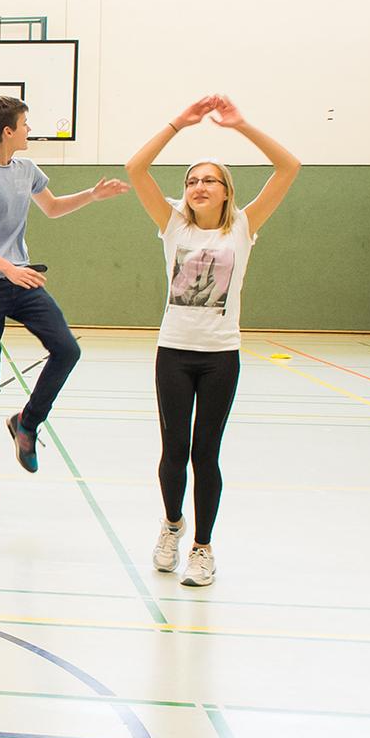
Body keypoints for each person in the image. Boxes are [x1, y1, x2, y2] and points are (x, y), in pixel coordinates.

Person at [126, 95, 299, 587]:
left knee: (206, 453)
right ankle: (171, 526)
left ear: (226, 192)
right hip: (174, 353)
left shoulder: (243, 225)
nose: (199, 187)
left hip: (221, 356)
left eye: (209, 180)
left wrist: (241, 125)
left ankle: (202, 548)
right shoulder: (172, 224)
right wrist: (179, 123)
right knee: (173, 450)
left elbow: (289, 167)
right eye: (192, 181)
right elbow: (136, 168)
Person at [0, 95, 129, 510]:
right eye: (25, 123)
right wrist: (7, 269)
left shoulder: (27, 169)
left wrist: (91, 195)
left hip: (21, 279)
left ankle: (27, 422)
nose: (30, 130)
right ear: (7, 131)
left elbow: (51, 207)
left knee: (67, 349)